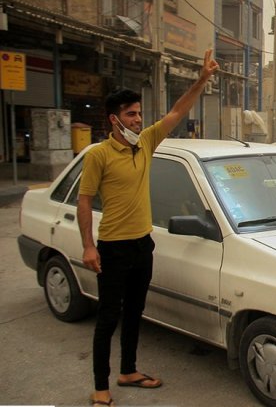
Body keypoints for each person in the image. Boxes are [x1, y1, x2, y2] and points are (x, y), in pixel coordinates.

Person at [78, 49, 219, 407]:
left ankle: (128, 370)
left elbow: (177, 111)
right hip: (112, 246)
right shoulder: (99, 155)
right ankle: (100, 385)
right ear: (114, 119)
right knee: (108, 317)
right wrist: (89, 247)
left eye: (139, 113)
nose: (139, 119)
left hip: (143, 244)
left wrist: (202, 79)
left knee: (134, 311)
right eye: (131, 114)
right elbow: (83, 201)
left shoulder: (147, 143)